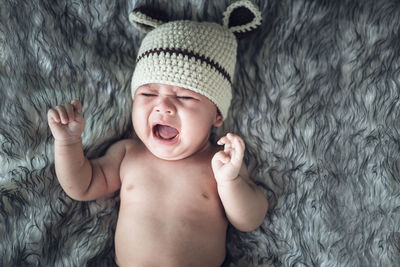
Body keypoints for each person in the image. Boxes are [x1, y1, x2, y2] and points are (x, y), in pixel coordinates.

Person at [47, 1, 268, 266]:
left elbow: (250, 220)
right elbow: (81, 186)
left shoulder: (220, 164)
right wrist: (68, 142)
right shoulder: (127, 154)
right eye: (148, 93)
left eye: (185, 97)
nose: (163, 106)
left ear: (216, 115)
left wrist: (230, 182)